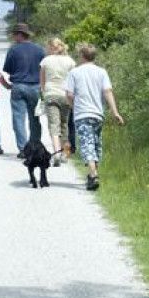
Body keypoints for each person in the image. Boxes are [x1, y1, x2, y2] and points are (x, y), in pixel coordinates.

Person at [64, 42, 124, 191]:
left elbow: (69, 94)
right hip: (98, 114)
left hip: (82, 114)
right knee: (96, 144)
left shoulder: (74, 73)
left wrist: (73, 106)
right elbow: (108, 91)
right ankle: (92, 176)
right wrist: (115, 112)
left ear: (82, 56)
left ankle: (93, 174)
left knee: (87, 145)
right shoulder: (102, 72)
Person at [2, 22, 45, 157]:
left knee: (18, 118)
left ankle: (23, 149)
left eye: (15, 34)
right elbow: (44, 69)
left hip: (19, 86)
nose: (14, 37)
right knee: (34, 118)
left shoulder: (13, 50)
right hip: (35, 86)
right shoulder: (40, 50)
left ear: (20, 35)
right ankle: (35, 146)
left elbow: (8, 69)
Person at [39, 37, 76, 165]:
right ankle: (65, 154)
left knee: (53, 126)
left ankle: (56, 153)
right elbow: (73, 80)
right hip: (65, 95)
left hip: (51, 94)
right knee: (64, 125)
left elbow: (42, 81)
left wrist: (44, 94)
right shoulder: (70, 61)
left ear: (51, 48)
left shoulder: (45, 61)